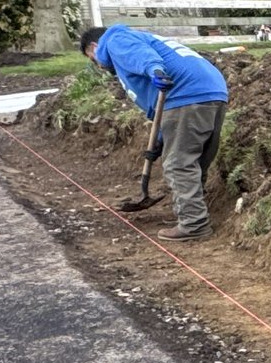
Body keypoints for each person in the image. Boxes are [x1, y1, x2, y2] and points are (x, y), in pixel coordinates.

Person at [79, 24, 228, 239]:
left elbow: (143, 56)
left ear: (94, 46)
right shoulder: (141, 37)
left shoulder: (114, 40)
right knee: (196, 161)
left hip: (184, 95)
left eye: (93, 59)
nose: (99, 66)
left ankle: (194, 224)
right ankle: (191, 213)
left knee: (179, 164)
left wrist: (154, 69)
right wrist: (160, 137)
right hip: (211, 92)